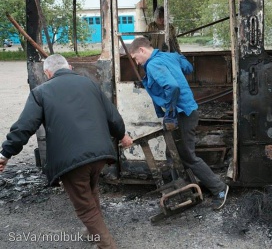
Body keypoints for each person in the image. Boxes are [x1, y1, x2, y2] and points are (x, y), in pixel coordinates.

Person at [0, 54, 132, 249]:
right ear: (69, 67)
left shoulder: (40, 92)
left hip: (72, 160)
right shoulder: (89, 84)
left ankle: (107, 245)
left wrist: (5, 154)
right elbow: (112, 116)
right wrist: (122, 135)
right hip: (101, 154)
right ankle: (92, 233)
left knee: (85, 207)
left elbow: (24, 127)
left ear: (47, 73)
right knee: (90, 191)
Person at [128, 37, 229, 210]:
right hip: (186, 112)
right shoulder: (169, 57)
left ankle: (219, 188)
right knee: (172, 153)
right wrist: (177, 60)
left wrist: (170, 113)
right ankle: (181, 192)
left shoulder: (152, 65)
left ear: (143, 50)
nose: (137, 63)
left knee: (188, 157)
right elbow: (189, 68)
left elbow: (172, 86)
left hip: (181, 115)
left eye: (136, 58)